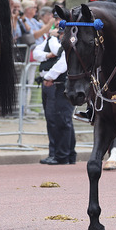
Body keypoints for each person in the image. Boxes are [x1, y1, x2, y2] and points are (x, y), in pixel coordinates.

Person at [33, 26, 76, 165]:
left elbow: (62, 63)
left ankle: (62, 155)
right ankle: (66, 154)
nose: (60, 35)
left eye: (61, 33)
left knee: (62, 120)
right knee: (62, 120)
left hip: (62, 85)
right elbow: (36, 53)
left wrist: (48, 77)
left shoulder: (68, 44)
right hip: (60, 84)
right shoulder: (66, 43)